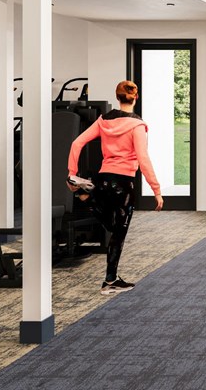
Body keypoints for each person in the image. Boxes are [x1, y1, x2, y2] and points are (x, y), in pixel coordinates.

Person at [67, 80, 163, 295]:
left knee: (112, 227)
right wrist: (156, 189)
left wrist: (72, 172)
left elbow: (76, 143)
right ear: (136, 97)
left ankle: (84, 194)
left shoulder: (104, 120)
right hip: (123, 183)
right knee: (118, 232)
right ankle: (110, 281)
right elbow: (143, 158)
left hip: (103, 179)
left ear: (117, 98)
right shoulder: (137, 125)